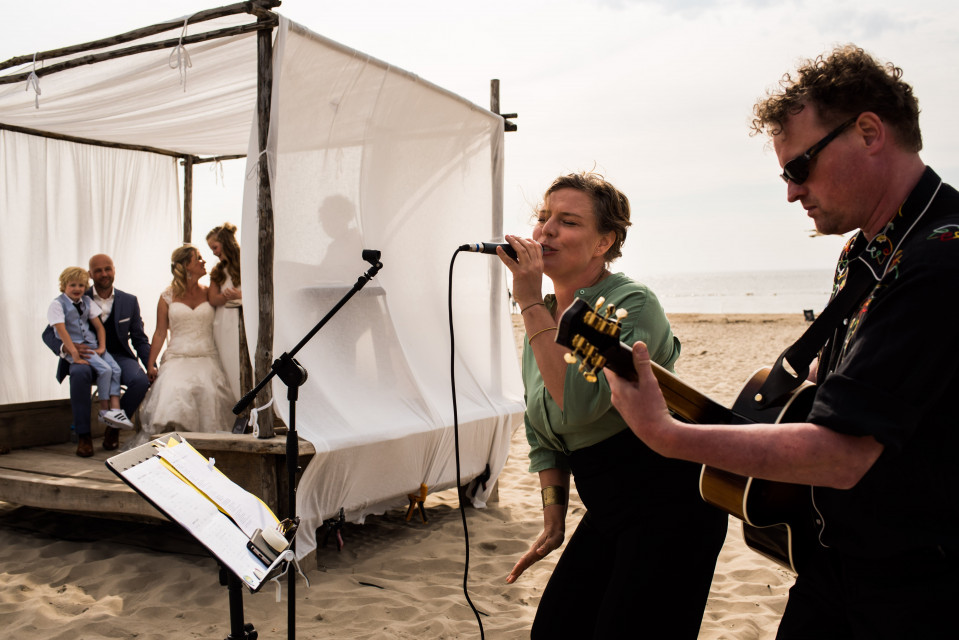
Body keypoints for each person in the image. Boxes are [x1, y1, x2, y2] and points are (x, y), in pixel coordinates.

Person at [607, 45, 959, 639]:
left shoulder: (939, 258)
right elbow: (852, 377)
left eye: (798, 168)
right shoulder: (866, 250)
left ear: (869, 131)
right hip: (836, 559)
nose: (792, 193)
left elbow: (844, 456)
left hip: (922, 583)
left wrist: (668, 435)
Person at [500, 171, 727, 638]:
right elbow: (542, 426)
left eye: (567, 221)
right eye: (543, 218)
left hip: (669, 500)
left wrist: (526, 303)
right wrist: (554, 511)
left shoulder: (629, 303)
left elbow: (578, 406)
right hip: (609, 503)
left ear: (605, 241)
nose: (545, 231)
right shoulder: (544, 313)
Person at [131, 244, 235, 447]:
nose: (203, 261)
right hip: (177, 357)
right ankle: (174, 446)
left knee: (209, 392)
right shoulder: (167, 296)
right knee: (175, 390)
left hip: (206, 356)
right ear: (186, 265)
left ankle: (208, 446)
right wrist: (151, 363)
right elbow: (160, 332)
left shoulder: (210, 293)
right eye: (198, 258)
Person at [45, 267, 135, 456]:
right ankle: (85, 433)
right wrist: (72, 353)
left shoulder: (124, 300)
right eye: (73, 285)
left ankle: (113, 423)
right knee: (80, 372)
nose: (77, 288)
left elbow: (134, 336)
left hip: (105, 350)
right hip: (78, 351)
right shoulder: (60, 303)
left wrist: (149, 363)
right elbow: (52, 333)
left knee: (132, 377)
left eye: (80, 285)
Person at [206, 222, 251, 409]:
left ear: (225, 243)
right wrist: (225, 296)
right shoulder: (218, 271)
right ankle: (236, 405)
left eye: (215, 247)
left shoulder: (248, 262)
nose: (214, 253)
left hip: (246, 320)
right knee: (229, 362)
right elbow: (213, 299)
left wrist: (242, 295)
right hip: (224, 323)